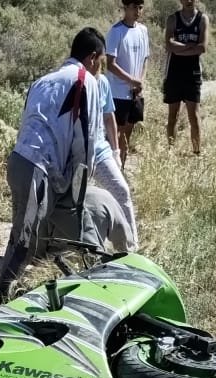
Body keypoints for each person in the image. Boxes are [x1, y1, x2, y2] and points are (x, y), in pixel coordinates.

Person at [0, 27, 107, 301]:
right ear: (93, 57)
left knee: (28, 233)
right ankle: (0, 302)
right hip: (40, 171)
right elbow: (87, 139)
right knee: (25, 241)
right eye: (101, 61)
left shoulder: (43, 81)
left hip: (21, 162)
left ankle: (99, 275)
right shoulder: (85, 80)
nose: (100, 68)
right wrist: (79, 187)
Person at [93, 63, 139, 251]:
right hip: (75, 153)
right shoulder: (72, 82)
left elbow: (108, 115)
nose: (100, 65)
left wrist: (115, 150)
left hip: (99, 151)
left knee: (121, 191)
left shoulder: (102, 81)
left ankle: (130, 248)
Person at [105, 1, 150, 169]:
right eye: (133, 7)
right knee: (115, 134)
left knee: (128, 132)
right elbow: (110, 64)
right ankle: (110, 170)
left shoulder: (143, 31)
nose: (137, 11)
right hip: (118, 92)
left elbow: (145, 58)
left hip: (136, 92)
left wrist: (141, 81)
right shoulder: (116, 32)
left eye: (140, 7)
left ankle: (121, 168)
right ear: (126, 7)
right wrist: (131, 80)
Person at [163, 0, 209, 155]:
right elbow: (169, 45)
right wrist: (190, 46)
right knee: (172, 116)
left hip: (193, 73)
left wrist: (180, 49)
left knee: (194, 116)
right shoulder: (173, 19)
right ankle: (171, 152)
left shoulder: (202, 19)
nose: (188, 1)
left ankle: (196, 152)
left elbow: (202, 47)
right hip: (174, 72)